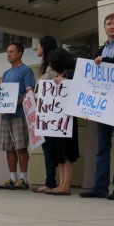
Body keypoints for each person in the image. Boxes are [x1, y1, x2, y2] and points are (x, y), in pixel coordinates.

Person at [79, 13, 114, 200]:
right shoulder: (99, 51)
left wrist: (106, 62)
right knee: (102, 148)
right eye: (109, 24)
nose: (112, 26)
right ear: (104, 27)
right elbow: (91, 82)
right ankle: (99, 188)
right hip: (102, 106)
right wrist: (87, 107)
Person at [0, 42, 36, 190]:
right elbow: (4, 94)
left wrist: (14, 105)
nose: (8, 54)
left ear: (19, 53)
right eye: (7, 52)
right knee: (9, 147)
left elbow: (29, 93)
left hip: (19, 114)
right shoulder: (6, 73)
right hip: (6, 116)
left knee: (21, 147)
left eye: (11, 52)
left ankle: (23, 179)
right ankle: (12, 178)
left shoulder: (26, 70)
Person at [44, 48, 79, 196]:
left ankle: (66, 185)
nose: (51, 65)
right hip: (57, 120)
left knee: (67, 154)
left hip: (68, 119)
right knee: (59, 154)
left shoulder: (71, 73)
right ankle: (61, 184)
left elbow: (79, 87)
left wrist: (64, 81)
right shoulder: (58, 75)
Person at [31, 36, 59, 193]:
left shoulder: (52, 65)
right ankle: (50, 180)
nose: (37, 48)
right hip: (43, 110)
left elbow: (53, 86)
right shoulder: (45, 65)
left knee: (50, 147)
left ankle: (51, 181)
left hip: (50, 111)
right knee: (47, 147)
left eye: (39, 45)